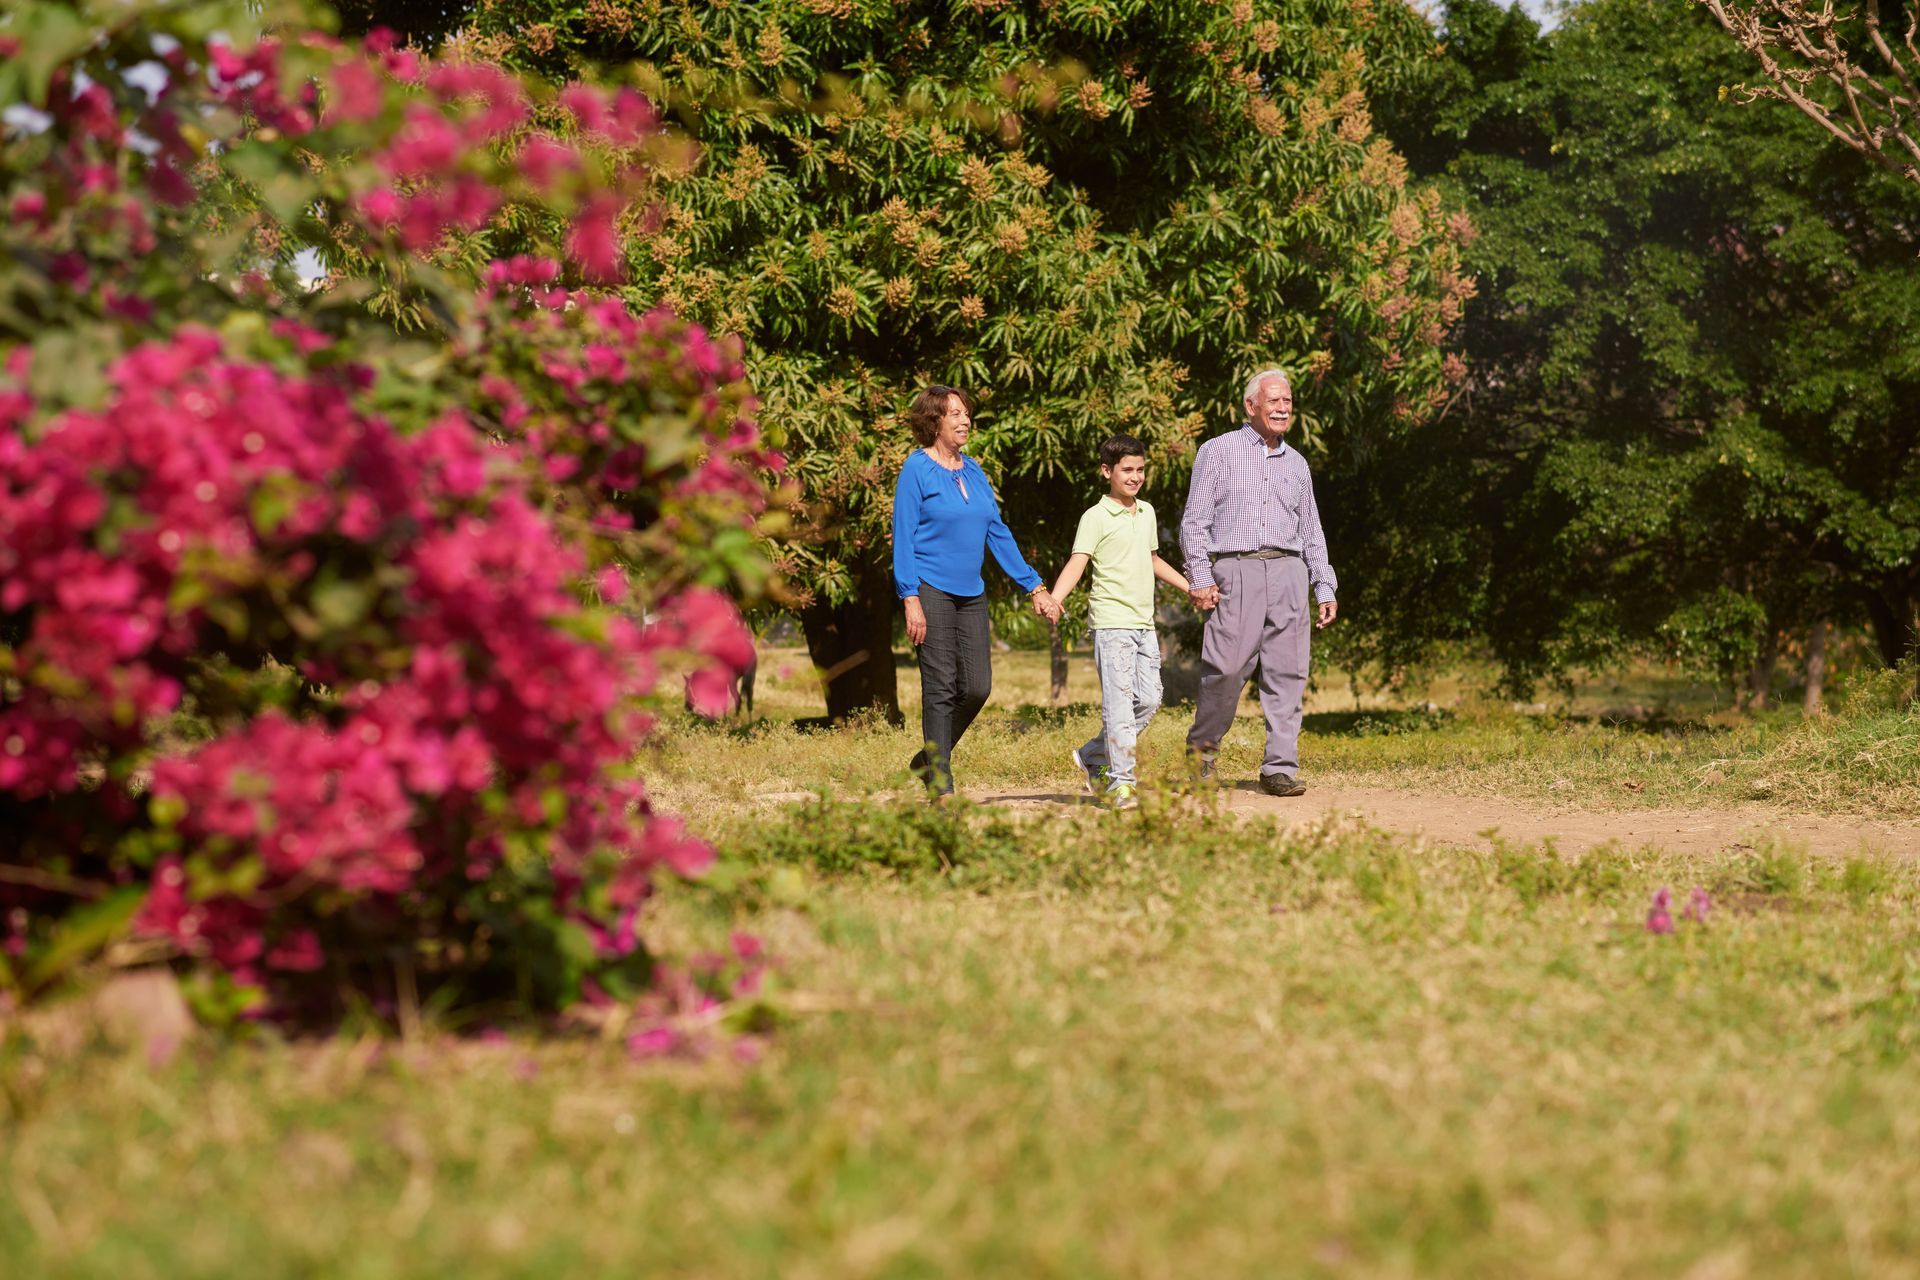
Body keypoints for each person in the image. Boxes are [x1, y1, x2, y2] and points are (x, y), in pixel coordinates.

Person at [893, 385, 1061, 797]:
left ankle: (927, 760)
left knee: (977, 687)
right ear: (934, 421)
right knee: (940, 687)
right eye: (955, 413)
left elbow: (997, 532)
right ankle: (941, 785)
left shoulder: (973, 471)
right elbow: (903, 536)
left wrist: (1035, 586)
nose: (965, 420)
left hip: (971, 593)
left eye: (966, 413)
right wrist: (910, 597)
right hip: (930, 588)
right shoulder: (916, 469)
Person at [1179, 368, 1338, 795]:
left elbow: (1311, 530)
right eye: (1274, 401)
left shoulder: (1298, 463)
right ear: (1251, 406)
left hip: (1290, 571)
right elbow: (1194, 521)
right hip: (1237, 569)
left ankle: (1279, 768)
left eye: (1288, 401)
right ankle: (1201, 754)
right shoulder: (1218, 451)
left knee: (1289, 673)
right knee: (1227, 668)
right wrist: (1199, 576)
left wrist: (1323, 585)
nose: (1283, 409)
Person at [1047, 435, 1191, 810]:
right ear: (1106, 471)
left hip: (1144, 622)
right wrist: (1055, 598)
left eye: (1140, 469)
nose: (1135, 477)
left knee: (1150, 698)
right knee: (1120, 707)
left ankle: (1093, 754)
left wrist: (1190, 587)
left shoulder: (1147, 512)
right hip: (1111, 623)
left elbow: (1153, 560)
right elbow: (1078, 562)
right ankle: (1121, 783)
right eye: (1127, 470)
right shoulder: (1094, 517)